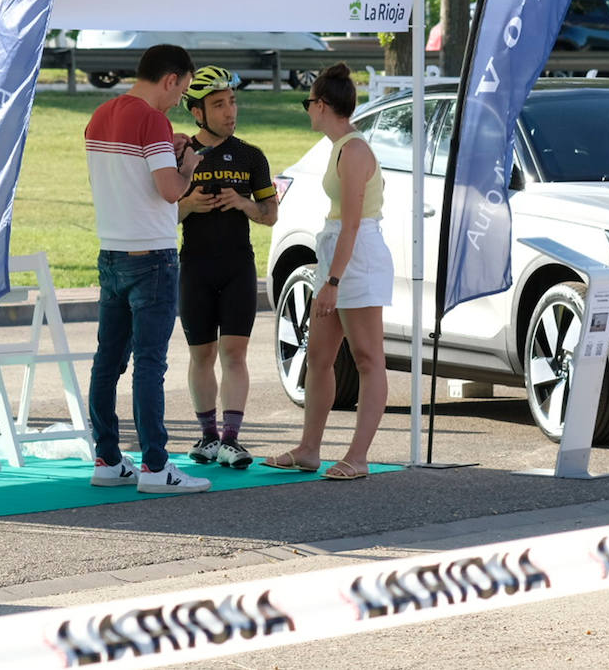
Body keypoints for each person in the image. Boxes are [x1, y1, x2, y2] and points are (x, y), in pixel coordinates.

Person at [84, 43, 210, 494]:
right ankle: (156, 467)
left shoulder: (100, 115)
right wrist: (189, 165)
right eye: (183, 90)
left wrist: (168, 150)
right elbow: (170, 191)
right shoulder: (153, 119)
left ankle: (107, 457)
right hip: (153, 256)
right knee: (149, 364)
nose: (181, 101)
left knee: (108, 360)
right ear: (169, 79)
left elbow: (130, 175)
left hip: (112, 251)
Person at [263, 62, 393, 480]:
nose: (307, 111)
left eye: (308, 103)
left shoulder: (354, 150)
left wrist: (333, 282)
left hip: (358, 257)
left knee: (368, 358)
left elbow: (354, 221)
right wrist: (329, 277)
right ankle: (309, 449)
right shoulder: (339, 147)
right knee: (318, 356)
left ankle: (358, 456)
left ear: (321, 105)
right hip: (339, 251)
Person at [175, 65, 278, 470]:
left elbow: (270, 214)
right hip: (195, 266)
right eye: (218, 104)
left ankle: (232, 440)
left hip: (238, 265)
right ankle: (206, 436)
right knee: (201, 354)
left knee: (235, 353)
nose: (229, 111)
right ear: (197, 112)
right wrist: (189, 205)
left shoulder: (251, 155)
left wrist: (244, 204)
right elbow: (158, 217)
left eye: (232, 101)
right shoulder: (180, 155)